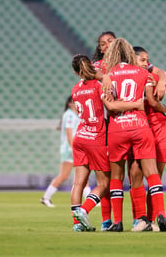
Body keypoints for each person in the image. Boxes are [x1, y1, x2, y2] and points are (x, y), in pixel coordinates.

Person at [69, 54, 144, 231]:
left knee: (78, 182)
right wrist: (134, 104)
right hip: (96, 137)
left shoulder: (74, 90)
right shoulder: (99, 85)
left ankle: (77, 224)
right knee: (105, 183)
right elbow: (111, 105)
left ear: (75, 72)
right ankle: (84, 210)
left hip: (80, 136)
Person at [103, 38, 166, 232]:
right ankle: (160, 214)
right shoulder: (143, 73)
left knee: (117, 176)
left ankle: (117, 222)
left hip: (117, 128)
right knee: (152, 173)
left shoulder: (108, 76)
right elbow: (151, 98)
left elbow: (110, 105)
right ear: (131, 55)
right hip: (141, 127)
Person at [128, 46, 166, 231]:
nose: (146, 63)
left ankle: (152, 219)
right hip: (138, 128)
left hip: (158, 127)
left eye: (146, 60)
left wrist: (163, 86)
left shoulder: (152, 75)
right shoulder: (127, 78)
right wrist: (162, 106)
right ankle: (140, 218)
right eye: (142, 60)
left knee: (155, 176)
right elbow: (151, 102)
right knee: (135, 173)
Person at [92, 31, 166, 101]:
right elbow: (92, 72)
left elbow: (160, 72)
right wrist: (104, 77)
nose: (107, 45)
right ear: (101, 49)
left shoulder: (129, 60)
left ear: (117, 44)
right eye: (103, 44)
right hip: (110, 104)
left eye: (110, 41)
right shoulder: (99, 65)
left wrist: (160, 83)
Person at [40, 96, 80, 207]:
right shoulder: (70, 115)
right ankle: (46, 197)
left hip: (71, 149)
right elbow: (69, 133)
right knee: (64, 175)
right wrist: (74, 148)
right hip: (70, 149)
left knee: (81, 174)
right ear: (70, 104)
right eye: (75, 102)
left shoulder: (72, 115)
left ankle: (92, 200)